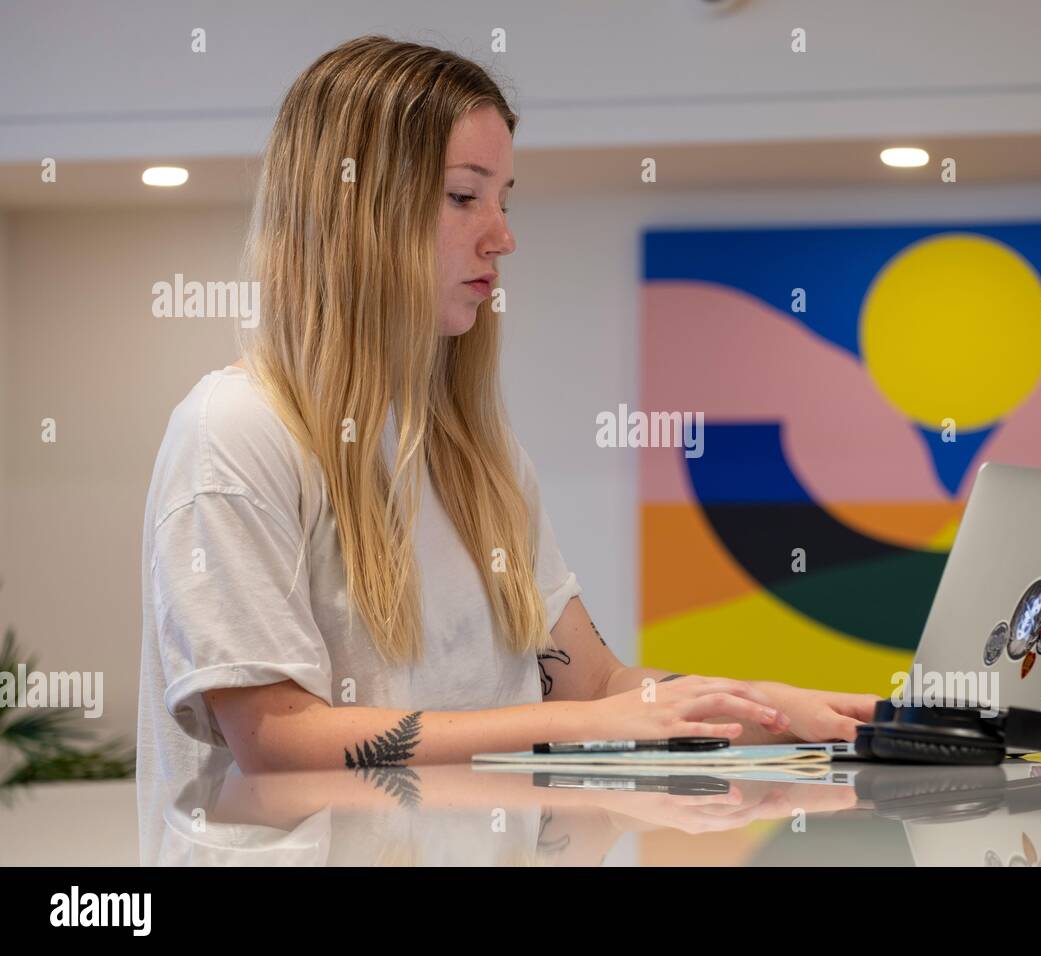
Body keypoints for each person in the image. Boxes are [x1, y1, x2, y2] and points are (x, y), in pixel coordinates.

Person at [136, 35, 880, 782]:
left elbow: (592, 683)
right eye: (464, 197)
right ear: (354, 205)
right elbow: (276, 739)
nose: (504, 237)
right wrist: (581, 727)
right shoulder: (234, 431)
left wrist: (761, 708)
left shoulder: (475, 455)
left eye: (503, 199)